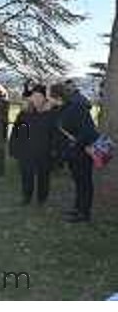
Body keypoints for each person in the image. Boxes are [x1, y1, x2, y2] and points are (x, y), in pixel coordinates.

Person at [49, 82, 99, 223]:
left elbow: (87, 130)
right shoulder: (63, 108)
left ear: (57, 96)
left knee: (84, 182)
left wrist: (75, 144)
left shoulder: (76, 108)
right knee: (78, 181)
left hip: (82, 152)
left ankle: (84, 213)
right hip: (72, 152)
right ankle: (78, 208)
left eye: (50, 96)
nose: (49, 99)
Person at [9, 84, 55, 205]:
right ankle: (26, 196)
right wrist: (13, 147)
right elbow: (16, 131)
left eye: (39, 96)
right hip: (26, 150)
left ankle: (42, 198)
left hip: (44, 151)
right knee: (26, 174)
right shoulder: (24, 114)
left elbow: (55, 134)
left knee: (43, 176)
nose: (36, 99)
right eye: (34, 96)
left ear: (45, 98)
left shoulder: (51, 114)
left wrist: (54, 151)